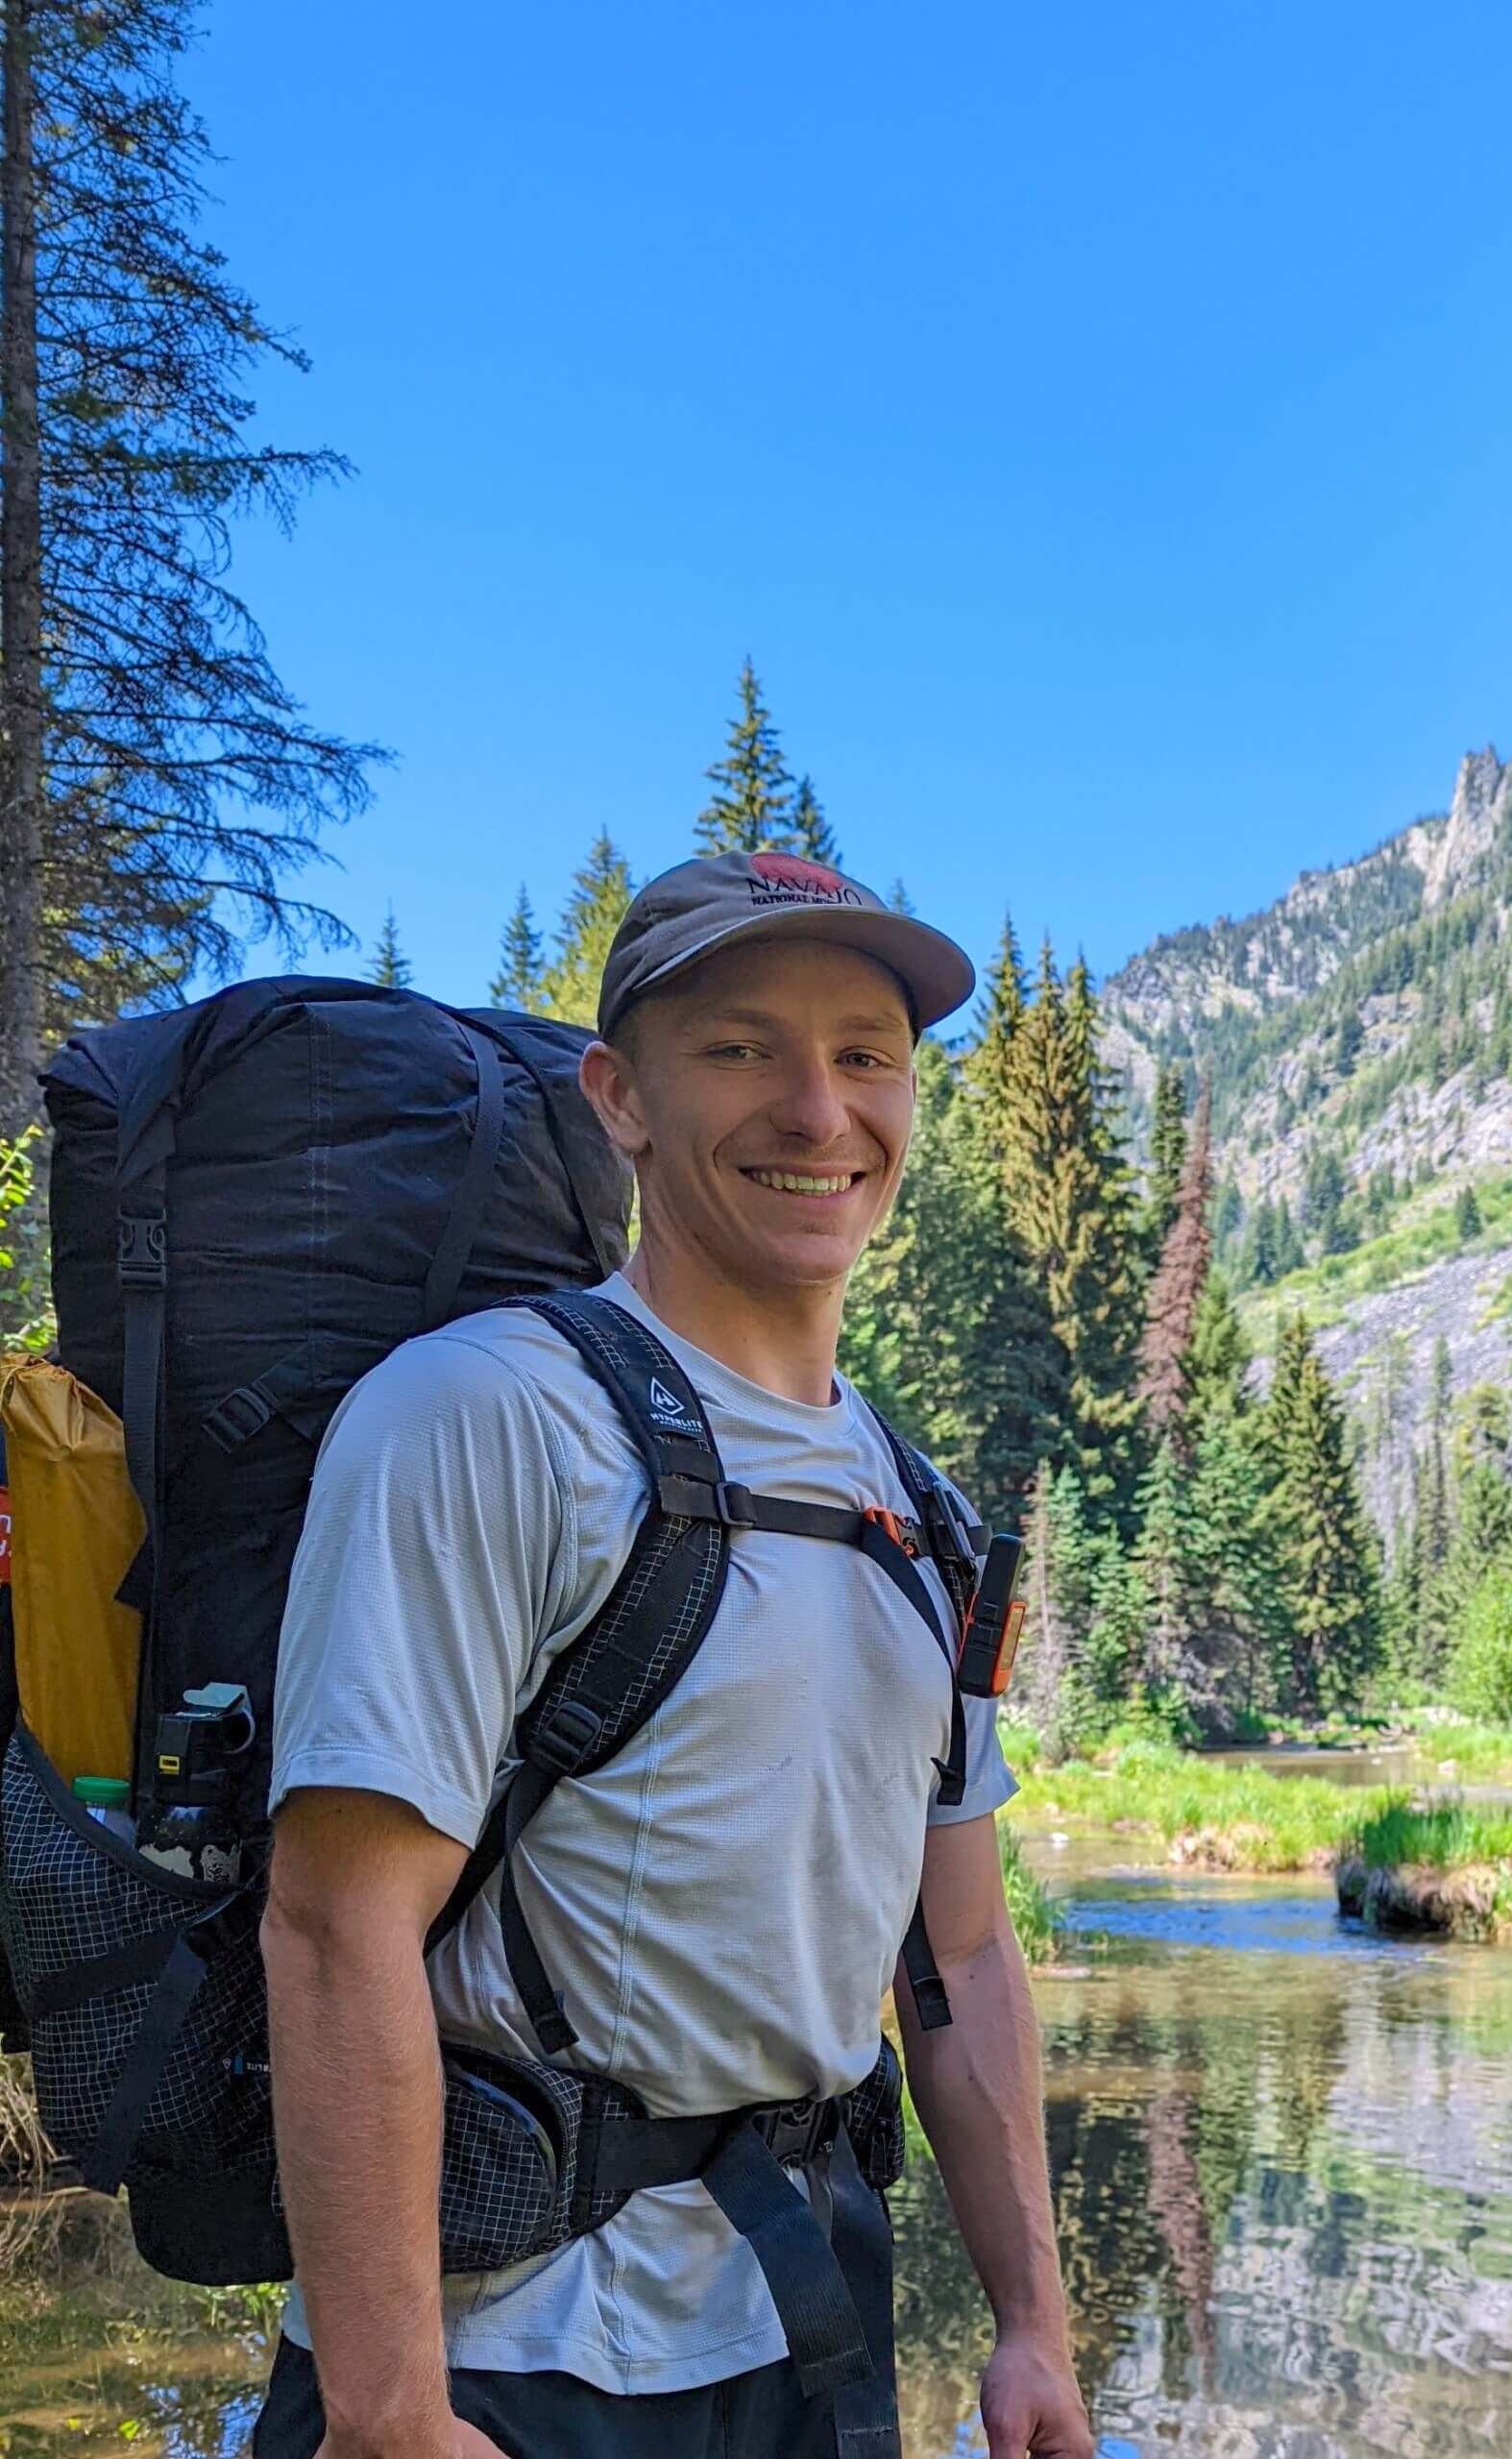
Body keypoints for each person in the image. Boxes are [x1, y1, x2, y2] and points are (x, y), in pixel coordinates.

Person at [254, 851, 1096, 2459]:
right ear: (618, 1098)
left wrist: (1033, 2325)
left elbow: (963, 1961)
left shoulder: (921, 1511)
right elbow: (333, 1920)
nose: (817, 1109)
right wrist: (384, 2415)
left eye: (865, 1055)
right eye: (740, 1048)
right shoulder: (488, 1415)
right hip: (502, 2364)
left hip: (803, 2338)